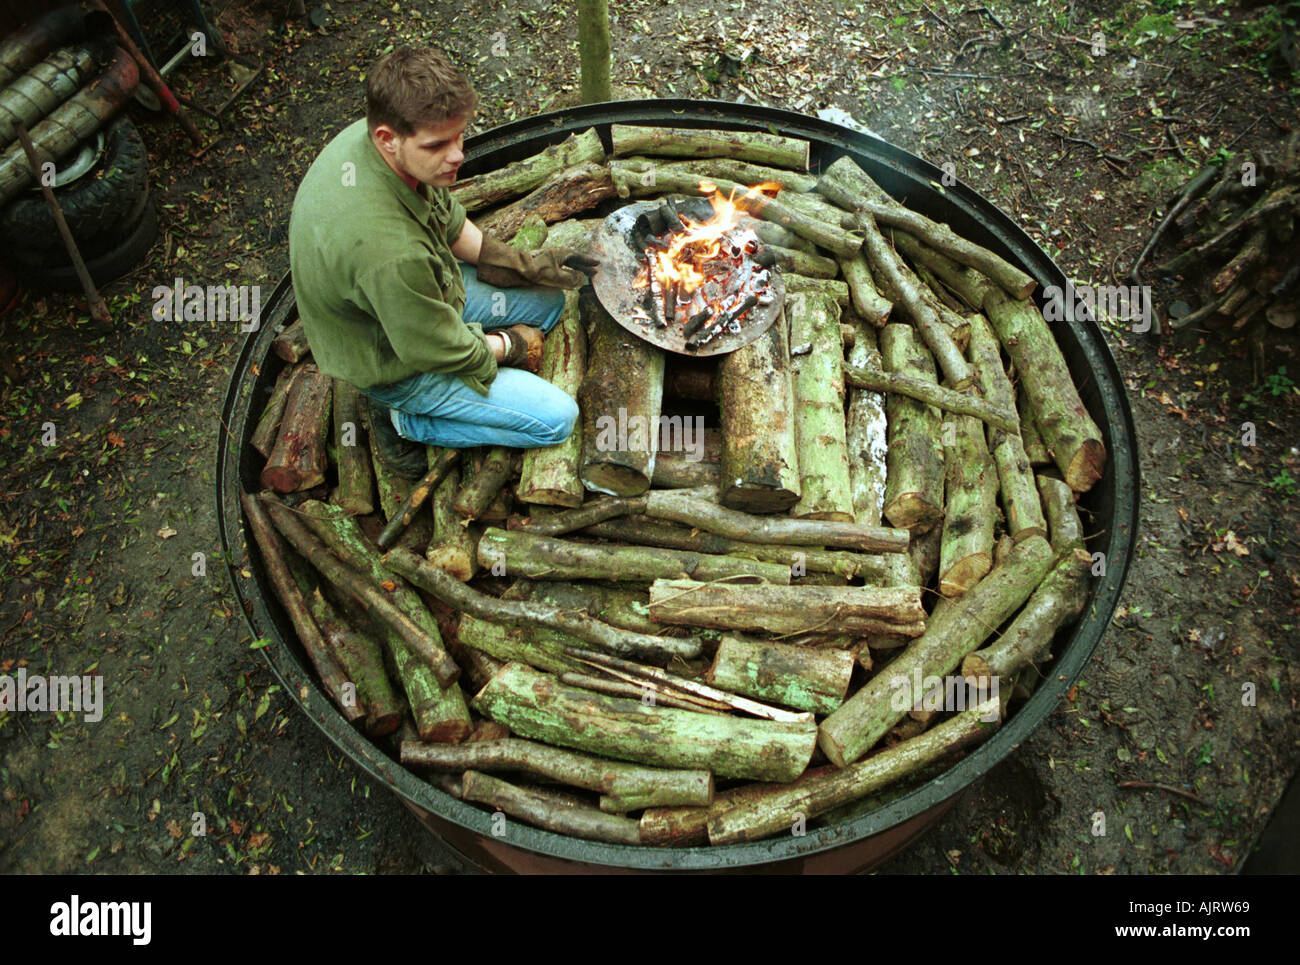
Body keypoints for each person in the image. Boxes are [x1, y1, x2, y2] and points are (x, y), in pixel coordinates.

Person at [288, 46, 597, 478]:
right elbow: (432, 347)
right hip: (394, 360)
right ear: (387, 137)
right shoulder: (389, 251)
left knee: (548, 303)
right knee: (557, 420)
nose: (457, 155)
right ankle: (407, 420)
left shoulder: (380, 141)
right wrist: (509, 346)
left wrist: (522, 264)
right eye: (438, 145)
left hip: (417, 299)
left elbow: (448, 223)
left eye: (459, 136)